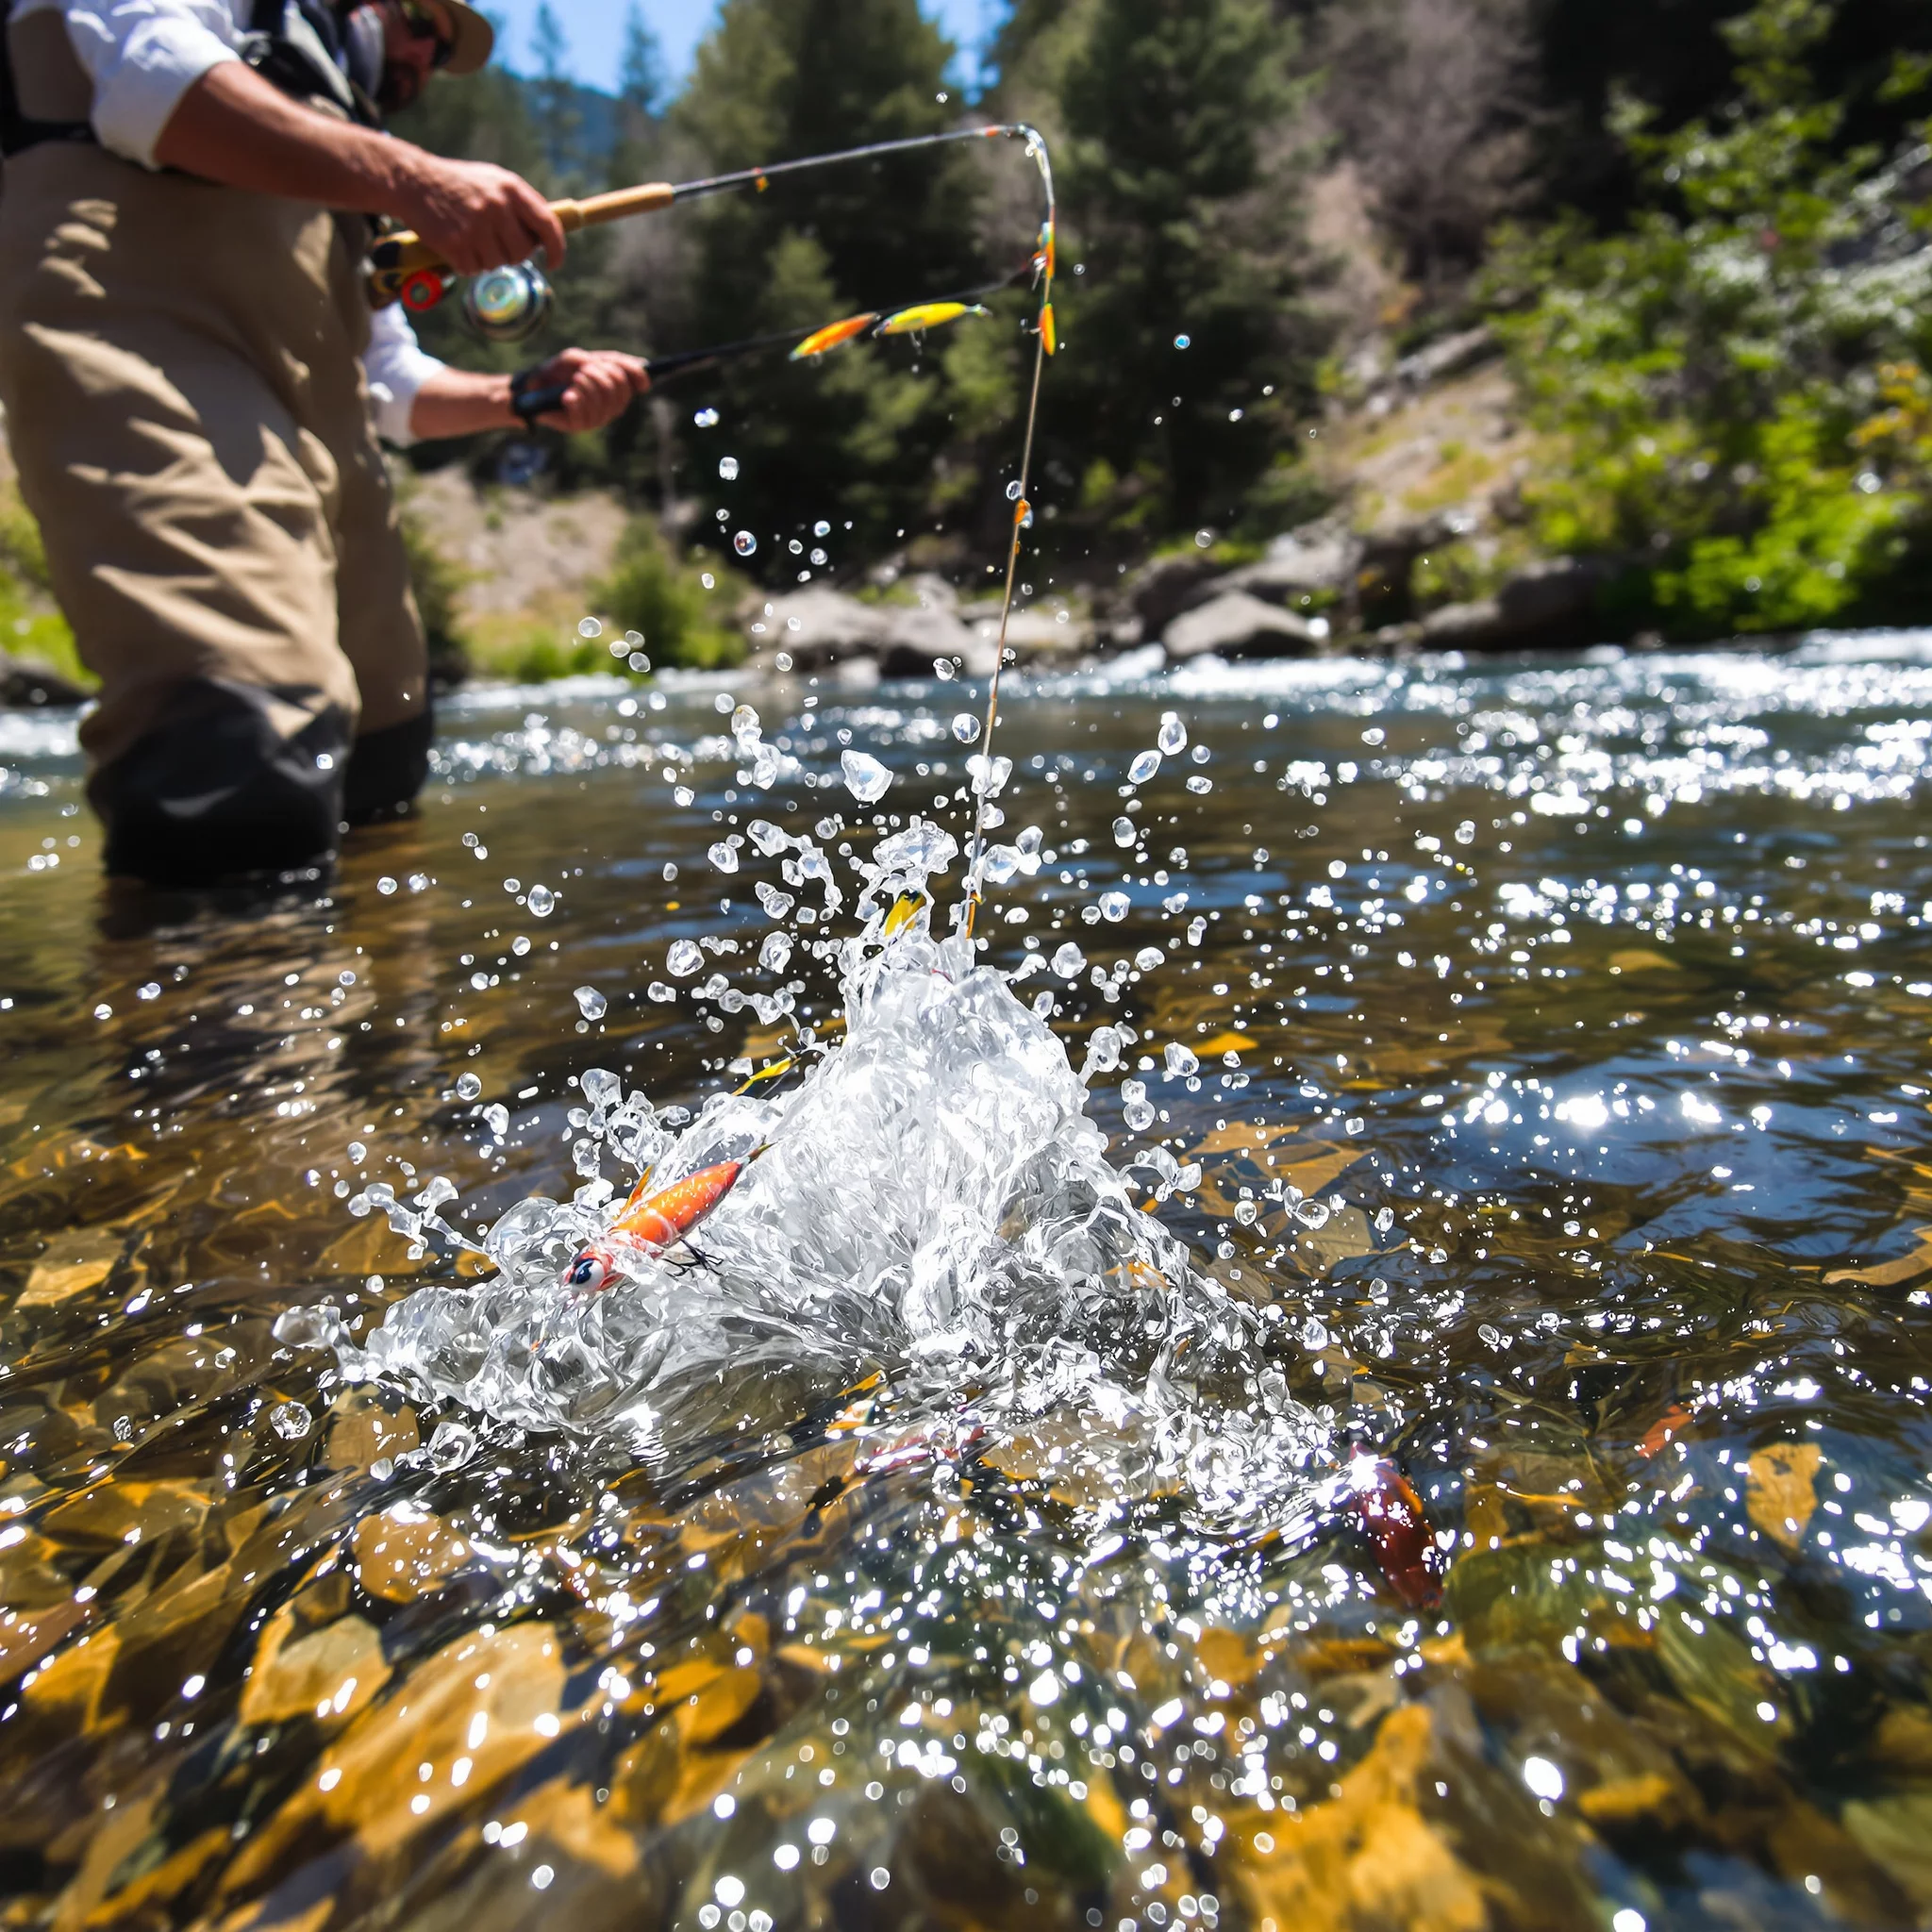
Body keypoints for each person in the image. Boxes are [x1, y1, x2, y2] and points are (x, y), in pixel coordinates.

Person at [0, 0, 651, 888]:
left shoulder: (346, 143)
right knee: (240, 745)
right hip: (144, 366)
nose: (426, 53)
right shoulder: (352, 145)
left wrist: (521, 398)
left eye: (442, 50)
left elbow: (390, 381)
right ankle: (215, 978)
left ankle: (375, 982)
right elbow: (156, 82)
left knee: (384, 758)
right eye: (420, 19)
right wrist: (414, 179)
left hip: (323, 446)